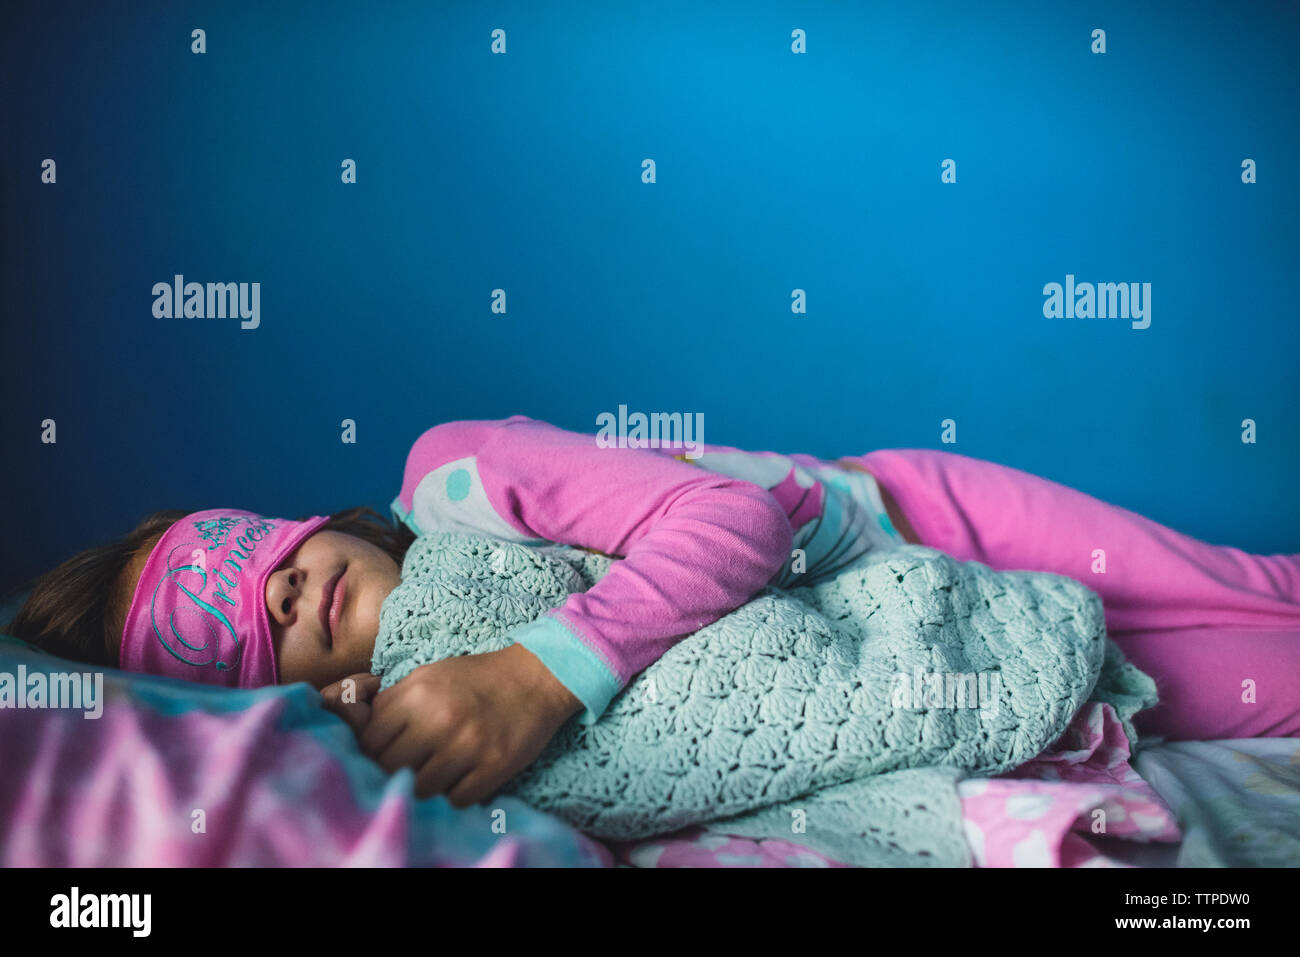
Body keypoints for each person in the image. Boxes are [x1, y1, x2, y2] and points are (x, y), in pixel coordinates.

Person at [7, 414, 1298, 809]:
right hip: (902, 644)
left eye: (248, 553)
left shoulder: (449, 475)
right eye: (238, 626)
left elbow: (738, 523)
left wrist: (540, 671)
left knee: (1260, 609)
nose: (279, 587)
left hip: (918, 527)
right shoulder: (414, 713)